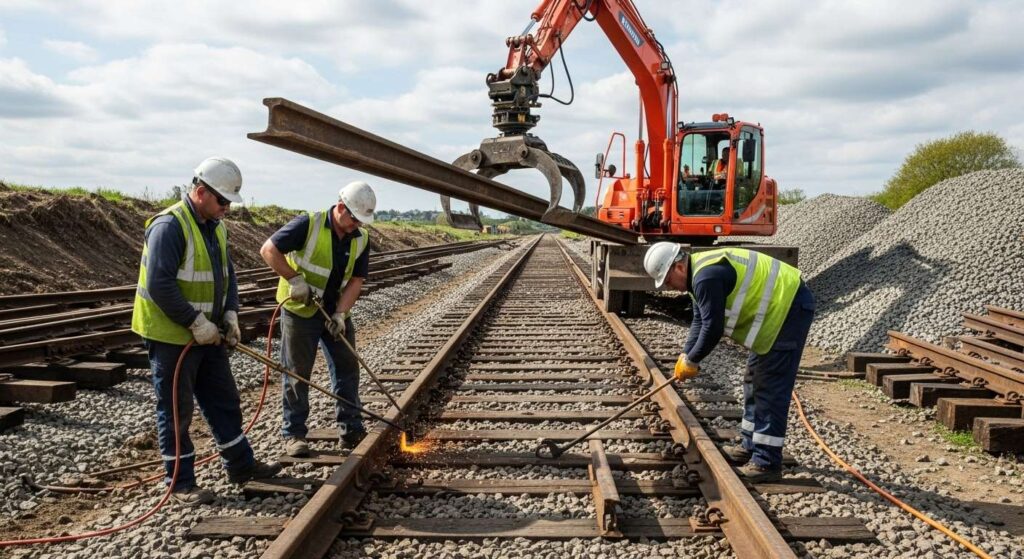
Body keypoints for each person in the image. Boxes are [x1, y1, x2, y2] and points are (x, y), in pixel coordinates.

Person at [131, 157, 283, 506]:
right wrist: (195, 322)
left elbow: (226, 276)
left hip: (208, 333)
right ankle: (180, 483)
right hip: (171, 336)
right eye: (223, 201)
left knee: (223, 399)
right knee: (176, 409)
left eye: (229, 202)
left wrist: (230, 313)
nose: (227, 208)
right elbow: (159, 285)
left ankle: (241, 465)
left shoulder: (216, 225)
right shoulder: (169, 226)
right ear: (200, 192)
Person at [643, 242, 815, 482]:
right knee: (753, 379)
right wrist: (685, 355)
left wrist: (693, 359)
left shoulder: (705, 277)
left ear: (679, 267)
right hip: (775, 315)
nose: (670, 288)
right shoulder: (698, 276)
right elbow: (699, 321)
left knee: (769, 386)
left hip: (789, 308)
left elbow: (713, 328)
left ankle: (766, 463)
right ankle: (750, 445)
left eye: (668, 281)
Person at [260, 181, 375, 457]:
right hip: (300, 312)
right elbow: (268, 250)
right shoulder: (307, 225)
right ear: (340, 208)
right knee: (297, 373)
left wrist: (340, 314)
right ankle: (294, 434)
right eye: (353, 219)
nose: (355, 225)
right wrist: (294, 279)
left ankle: (351, 429)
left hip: (333, 311)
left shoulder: (361, 238)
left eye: (361, 221)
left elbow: (357, 280)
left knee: (347, 367)